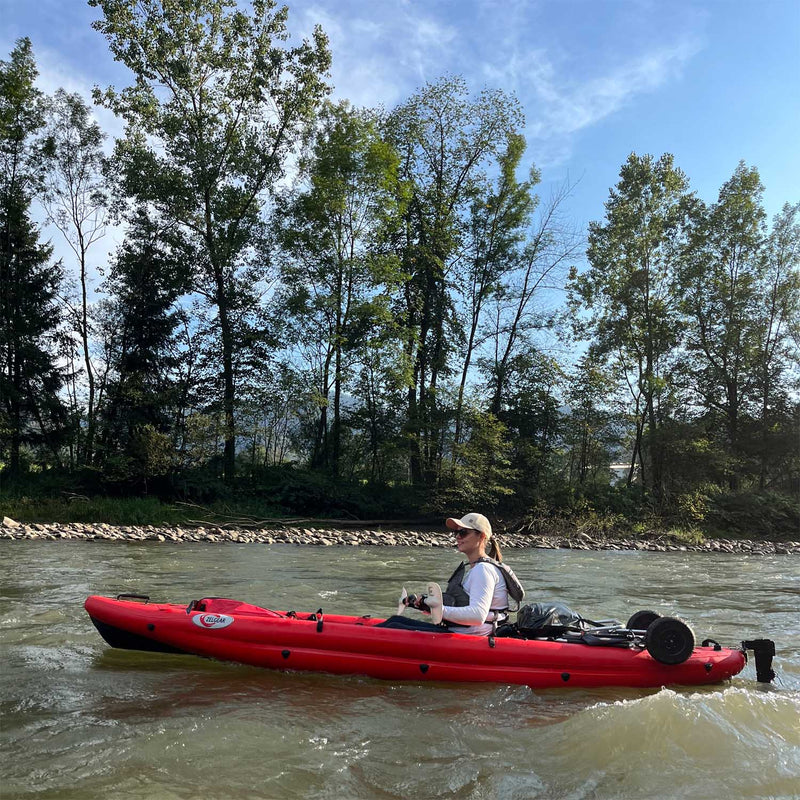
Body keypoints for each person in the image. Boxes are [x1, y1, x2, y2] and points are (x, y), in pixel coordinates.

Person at [404, 512, 525, 636]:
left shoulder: (483, 569)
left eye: (463, 532)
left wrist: (437, 609)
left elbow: (477, 616)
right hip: (464, 632)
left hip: (474, 637)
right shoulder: (476, 568)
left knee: (394, 624)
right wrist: (426, 605)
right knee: (396, 622)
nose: (457, 537)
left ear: (481, 536)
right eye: (456, 533)